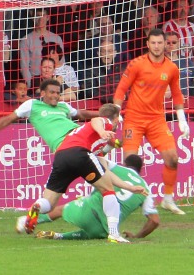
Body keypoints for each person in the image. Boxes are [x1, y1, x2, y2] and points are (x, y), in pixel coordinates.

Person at [21, 104, 149, 243]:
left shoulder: (90, 140)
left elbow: (104, 173)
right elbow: (96, 121)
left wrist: (129, 187)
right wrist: (102, 132)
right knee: (108, 191)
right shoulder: (104, 122)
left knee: (49, 203)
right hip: (79, 153)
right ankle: (114, 234)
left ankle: (38, 206)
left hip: (61, 156)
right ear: (116, 119)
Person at [113, 28, 189, 215]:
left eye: (160, 43)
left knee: (172, 159)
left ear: (165, 44)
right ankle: (126, 204)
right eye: (153, 43)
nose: (156, 46)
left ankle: (168, 199)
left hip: (157, 120)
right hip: (134, 119)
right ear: (147, 44)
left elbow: (177, 94)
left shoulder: (171, 68)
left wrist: (182, 119)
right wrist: (116, 111)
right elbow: (121, 89)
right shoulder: (136, 64)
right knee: (131, 164)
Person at [28, 154, 159, 242]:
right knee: (91, 233)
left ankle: (30, 222)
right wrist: (137, 236)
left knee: (61, 209)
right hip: (104, 229)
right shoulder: (145, 187)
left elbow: (98, 159)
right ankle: (59, 236)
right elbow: (154, 221)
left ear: (125, 164)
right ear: (140, 169)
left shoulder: (117, 168)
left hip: (88, 211)